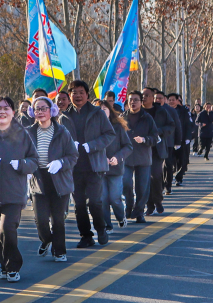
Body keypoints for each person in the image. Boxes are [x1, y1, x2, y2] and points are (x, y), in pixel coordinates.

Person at [0, 96, 37, 282]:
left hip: (14, 192)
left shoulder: (23, 134)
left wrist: (21, 164)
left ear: (13, 112)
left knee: (6, 229)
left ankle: (13, 266)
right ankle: (4, 264)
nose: (2, 111)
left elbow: (34, 161)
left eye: (6, 108)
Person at [61, 80, 116, 248]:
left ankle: (101, 229)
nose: (77, 96)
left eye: (81, 92)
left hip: (94, 165)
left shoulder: (97, 113)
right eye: (74, 93)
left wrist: (90, 146)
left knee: (94, 202)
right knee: (78, 205)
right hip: (73, 167)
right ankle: (86, 235)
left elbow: (109, 135)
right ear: (69, 96)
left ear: (87, 95)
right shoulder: (63, 116)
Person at [27, 95, 79, 259]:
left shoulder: (62, 132)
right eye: (37, 109)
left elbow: (73, 155)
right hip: (38, 179)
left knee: (57, 220)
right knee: (41, 220)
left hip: (59, 179)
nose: (40, 112)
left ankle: (59, 251)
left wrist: (60, 163)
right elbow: (23, 154)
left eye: (44, 108)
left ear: (52, 111)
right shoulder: (28, 132)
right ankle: (47, 239)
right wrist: (25, 168)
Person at [122, 92, 156, 223]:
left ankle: (139, 212)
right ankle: (129, 207)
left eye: (136, 100)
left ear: (141, 102)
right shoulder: (121, 118)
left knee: (142, 187)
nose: (133, 102)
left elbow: (155, 138)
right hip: (126, 157)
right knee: (125, 184)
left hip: (143, 158)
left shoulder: (147, 118)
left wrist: (144, 139)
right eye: (131, 100)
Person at [100, 99, 131, 232]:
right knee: (103, 199)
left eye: (104, 110)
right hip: (99, 169)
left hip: (115, 169)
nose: (102, 112)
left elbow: (128, 146)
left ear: (109, 111)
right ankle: (107, 225)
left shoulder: (117, 127)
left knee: (114, 198)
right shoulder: (92, 128)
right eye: (99, 110)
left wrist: (117, 158)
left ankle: (120, 216)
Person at [168, 93, 191, 185]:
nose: (171, 101)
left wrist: (188, 137)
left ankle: (179, 177)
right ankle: (168, 179)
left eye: (173, 99)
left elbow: (188, 125)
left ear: (178, 101)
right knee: (169, 161)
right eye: (169, 99)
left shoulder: (184, 111)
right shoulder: (165, 110)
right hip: (169, 139)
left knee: (182, 160)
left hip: (181, 139)